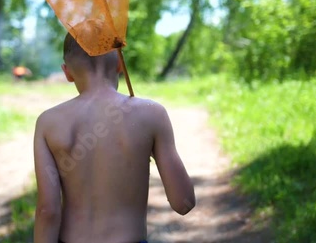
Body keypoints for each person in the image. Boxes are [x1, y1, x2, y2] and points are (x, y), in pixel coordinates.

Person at [33, 31, 195, 243]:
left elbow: (48, 211)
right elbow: (183, 202)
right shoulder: (152, 114)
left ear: (67, 73)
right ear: (120, 62)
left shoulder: (48, 122)